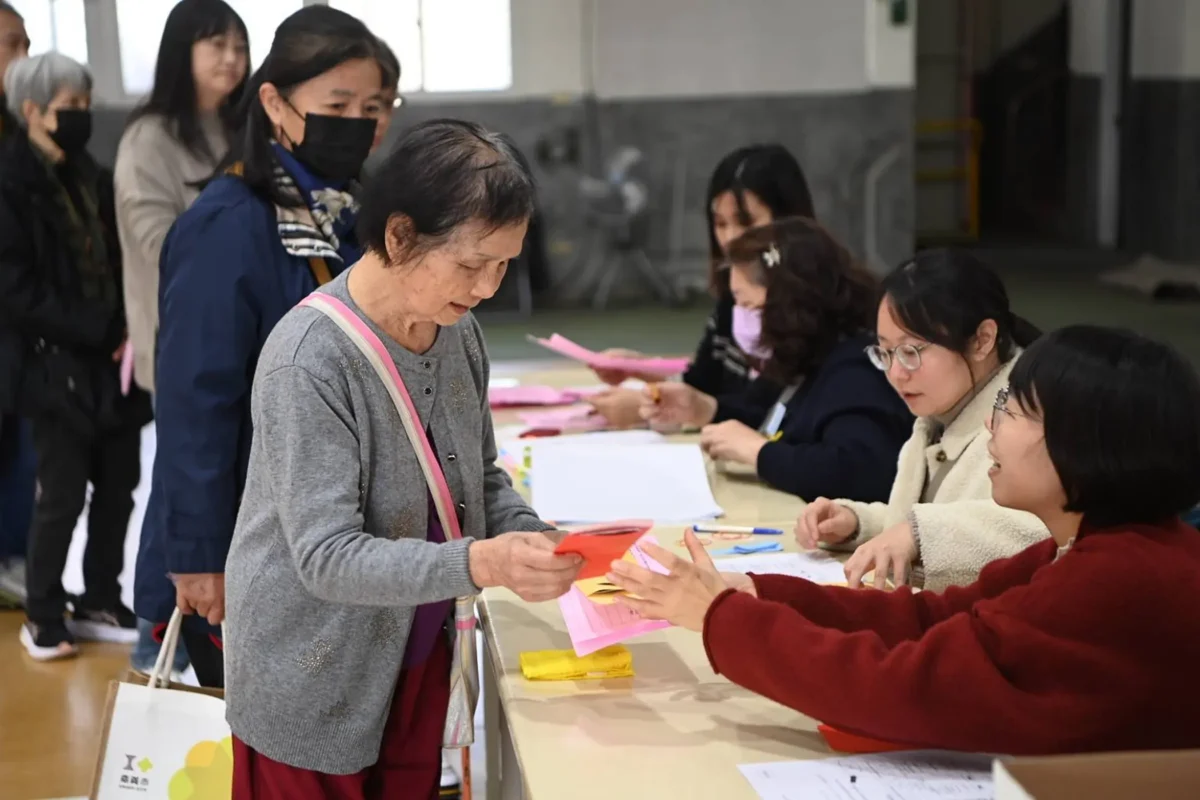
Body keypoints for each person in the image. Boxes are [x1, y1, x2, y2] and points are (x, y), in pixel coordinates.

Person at [609, 325, 1200, 756]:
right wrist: (759, 594)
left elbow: (906, 687)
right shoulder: (1096, 547)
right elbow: (934, 619)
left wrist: (723, 619)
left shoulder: (1116, 580)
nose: (991, 424)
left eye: (1016, 409)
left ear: (1086, 447)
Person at [224, 118, 582, 797]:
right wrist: (481, 563)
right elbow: (326, 556)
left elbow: (477, 477)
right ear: (399, 237)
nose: (487, 287)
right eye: (471, 265)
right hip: (314, 674)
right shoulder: (310, 359)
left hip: (415, 654)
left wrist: (532, 538)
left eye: (504, 264)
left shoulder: (456, 329)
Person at [134, 5, 388, 688]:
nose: (358, 122)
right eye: (337, 104)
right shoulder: (228, 225)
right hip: (245, 539)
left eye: (372, 107)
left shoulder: (343, 212)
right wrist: (199, 555)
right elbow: (196, 402)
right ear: (274, 103)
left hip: (324, 528)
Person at [0, 53, 153, 660]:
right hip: (51, 366)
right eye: (71, 107)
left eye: (86, 105)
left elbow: (120, 259)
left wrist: (127, 323)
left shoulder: (92, 174)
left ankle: (99, 597)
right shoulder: (9, 183)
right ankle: (43, 612)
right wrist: (99, 327)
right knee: (61, 494)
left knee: (118, 487)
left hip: (110, 361)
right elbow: (16, 289)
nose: (82, 116)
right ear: (32, 111)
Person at [115, 0, 249, 680]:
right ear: (181, 53)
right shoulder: (150, 140)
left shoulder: (240, 128)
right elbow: (154, 241)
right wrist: (232, 243)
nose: (231, 59)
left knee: (208, 484)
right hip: (182, 345)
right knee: (180, 488)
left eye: (238, 46)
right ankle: (152, 629)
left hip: (238, 337)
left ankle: (195, 623)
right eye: (214, 45)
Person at [795, 249, 1049, 590]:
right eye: (886, 352)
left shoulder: (1031, 417)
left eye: (911, 351)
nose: (896, 373)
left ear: (982, 340)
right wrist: (859, 524)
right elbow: (935, 516)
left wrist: (917, 534)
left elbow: (1044, 532)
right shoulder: (941, 411)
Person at [638, 218, 912, 501]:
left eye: (747, 304)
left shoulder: (855, 373)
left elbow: (857, 470)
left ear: (788, 302)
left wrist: (758, 452)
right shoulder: (804, 355)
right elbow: (763, 412)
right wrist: (702, 407)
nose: (739, 318)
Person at [588, 144, 815, 428]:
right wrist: (640, 368)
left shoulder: (810, 307)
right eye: (720, 224)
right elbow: (704, 382)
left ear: (788, 220)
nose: (731, 238)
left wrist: (650, 407)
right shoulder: (732, 294)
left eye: (746, 221)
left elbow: (767, 413)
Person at [0, 0, 33, 610]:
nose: (23, 57)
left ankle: (14, 559)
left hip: (23, 326)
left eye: (26, 43)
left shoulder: (22, 132)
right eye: (10, 44)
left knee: (22, 450)